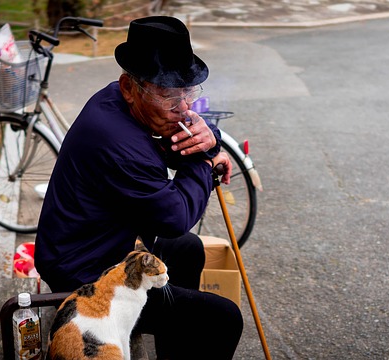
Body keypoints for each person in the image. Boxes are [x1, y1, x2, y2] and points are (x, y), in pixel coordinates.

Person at [34, 16, 243, 359]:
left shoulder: (119, 99)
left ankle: (175, 338)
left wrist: (210, 140)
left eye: (186, 92)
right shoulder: (116, 139)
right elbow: (174, 216)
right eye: (168, 95)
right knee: (222, 318)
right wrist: (205, 163)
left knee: (188, 248)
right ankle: (181, 323)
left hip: (97, 242)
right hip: (84, 272)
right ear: (130, 87)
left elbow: (181, 142)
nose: (183, 107)